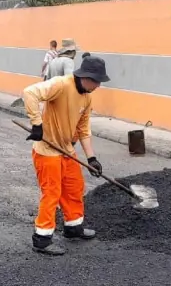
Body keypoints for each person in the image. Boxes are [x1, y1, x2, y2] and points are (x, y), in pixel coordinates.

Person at [22, 56, 111, 255]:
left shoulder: (86, 97)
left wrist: (92, 158)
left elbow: (83, 129)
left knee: (74, 188)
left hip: (66, 150)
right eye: (97, 81)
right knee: (52, 193)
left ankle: (73, 227)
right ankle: (42, 239)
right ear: (86, 77)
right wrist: (37, 124)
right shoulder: (61, 85)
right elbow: (29, 93)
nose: (98, 86)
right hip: (47, 150)